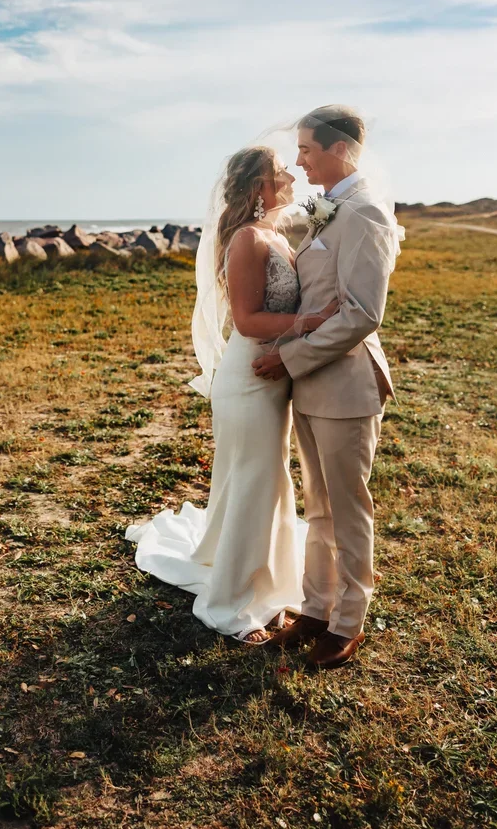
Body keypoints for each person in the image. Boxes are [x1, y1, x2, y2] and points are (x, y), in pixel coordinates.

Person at [125, 146, 337, 644]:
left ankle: (267, 576)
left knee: (263, 477)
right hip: (249, 379)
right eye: (279, 169)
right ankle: (230, 599)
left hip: (275, 374)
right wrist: (313, 321)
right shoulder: (247, 239)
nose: (289, 173)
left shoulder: (277, 237)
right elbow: (246, 321)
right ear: (259, 187)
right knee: (256, 478)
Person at [253, 105, 400, 669]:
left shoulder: (365, 213)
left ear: (338, 150)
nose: (298, 160)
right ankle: (316, 608)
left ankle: (348, 622)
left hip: (343, 384)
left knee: (348, 507)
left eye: (307, 150)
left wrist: (289, 358)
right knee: (319, 508)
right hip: (312, 385)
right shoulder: (329, 208)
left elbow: (363, 312)